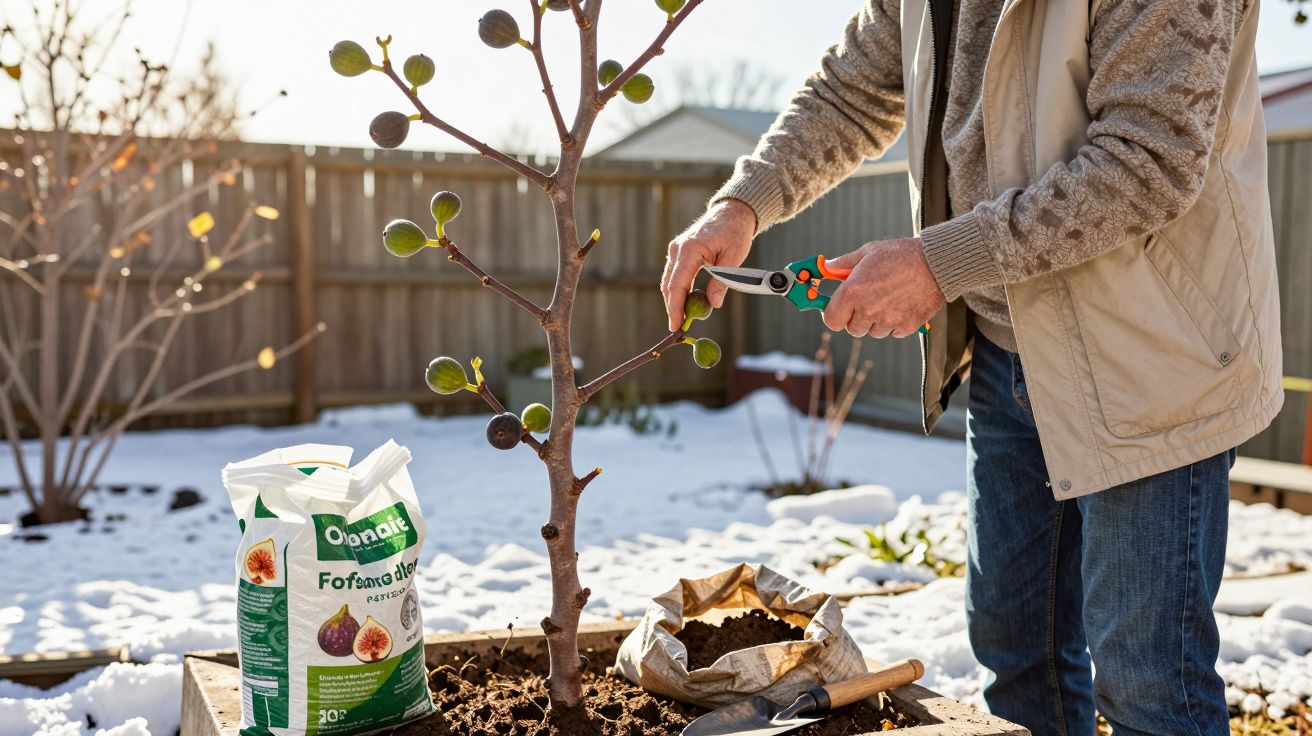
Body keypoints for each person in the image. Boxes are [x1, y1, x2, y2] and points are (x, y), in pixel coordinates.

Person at [660, 0, 1283, 733]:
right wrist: (744, 203)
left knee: (1150, 686)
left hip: (1147, 361)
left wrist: (937, 262)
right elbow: (854, 88)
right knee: (1018, 660)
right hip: (1004, 351)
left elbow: (1148, 161)